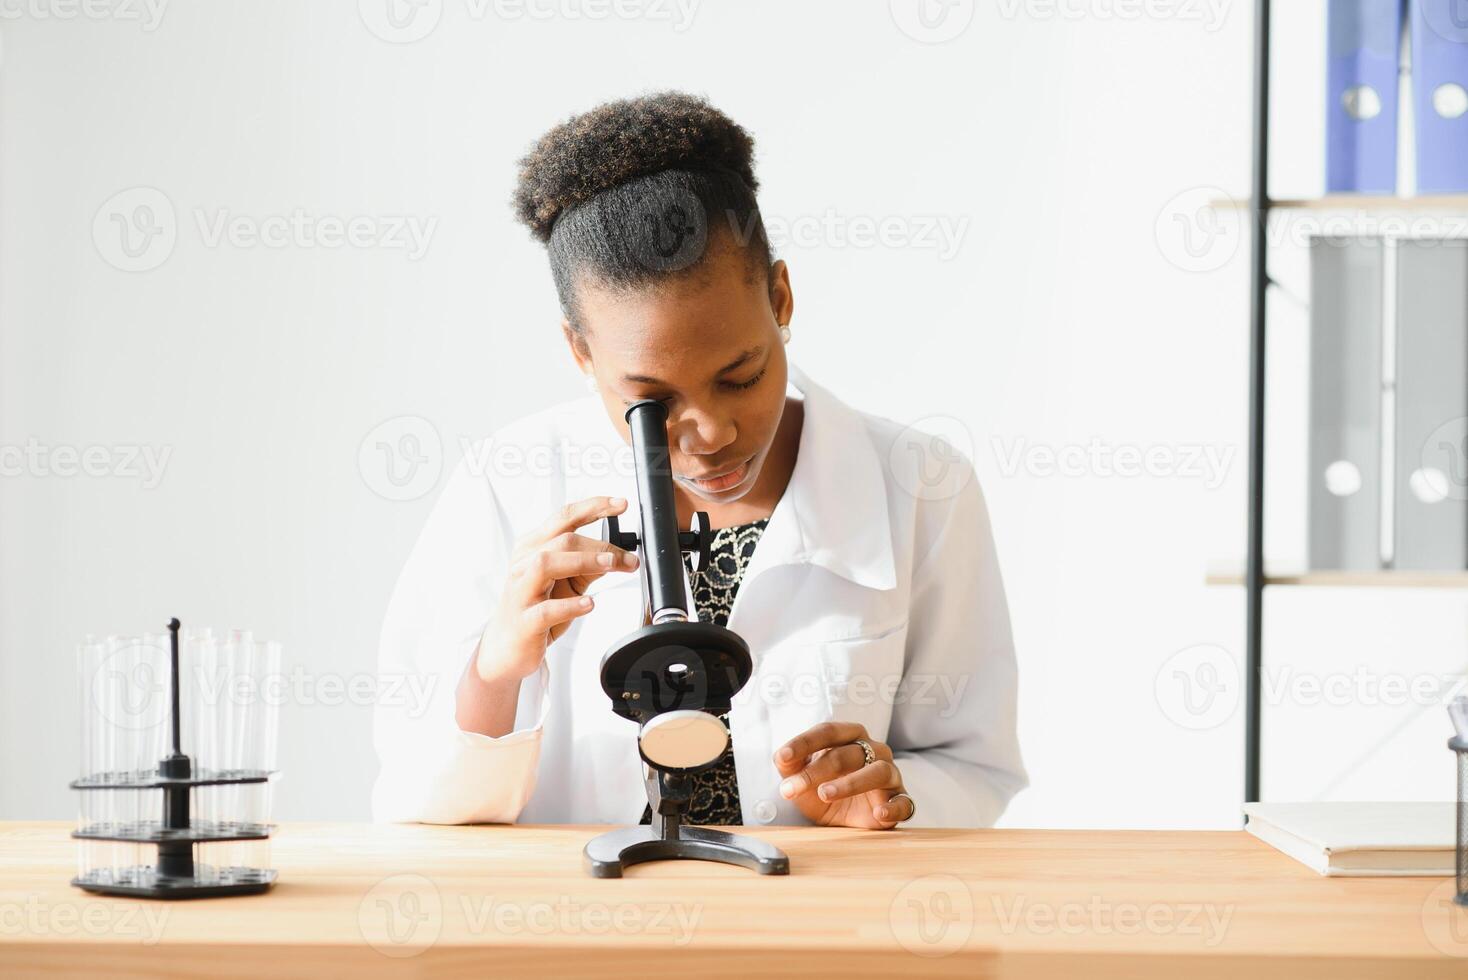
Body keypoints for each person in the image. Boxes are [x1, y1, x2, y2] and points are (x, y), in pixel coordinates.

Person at [372, 91, 1026, 829]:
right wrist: (496, 669)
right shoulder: (505, 483)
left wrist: (886, 794)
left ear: (780, 297)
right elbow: (416, 800)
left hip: (811, 931)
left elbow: (974, 768)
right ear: (580, 353)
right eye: (650, 400)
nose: (710, 431)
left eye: (741, 376)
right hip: (574, 933)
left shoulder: (920, 487)